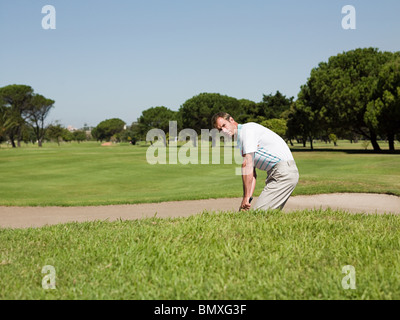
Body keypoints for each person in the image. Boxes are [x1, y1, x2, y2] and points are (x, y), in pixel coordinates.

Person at [211, 112, 299, 211]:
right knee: (267, 214)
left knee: (260, 213)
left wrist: (245, 197)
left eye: (224, 125)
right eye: (220, 130)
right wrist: (248, 198)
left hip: (284, 173)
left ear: (231, 120)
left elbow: (247, 165)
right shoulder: (240, 141)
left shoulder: (247, 130)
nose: (223, 130)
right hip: (277, 173)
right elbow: (252, 173)